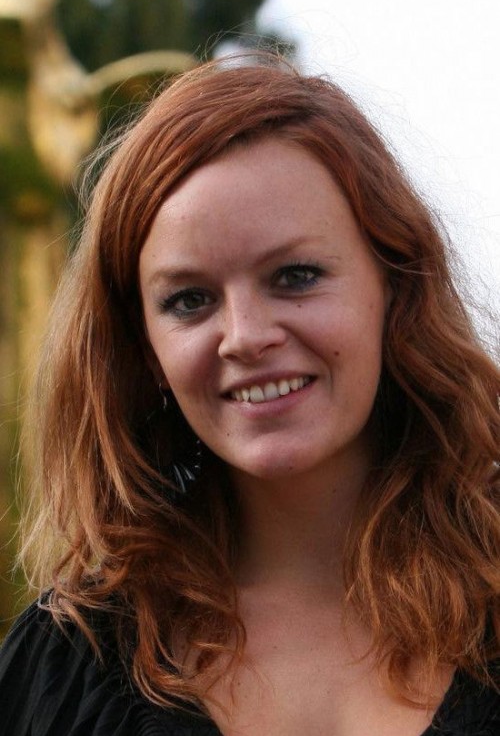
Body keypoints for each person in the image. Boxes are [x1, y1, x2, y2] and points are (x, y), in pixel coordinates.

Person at [0, 54, 498, 736]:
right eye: (189, 300)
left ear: (394, 285)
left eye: (295, 276)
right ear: (144, 347)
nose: (245, 336)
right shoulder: (64, 666)